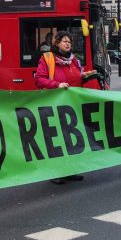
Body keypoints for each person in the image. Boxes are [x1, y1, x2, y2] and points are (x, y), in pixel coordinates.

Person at [34, 31, 96, 184]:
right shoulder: (47, 58)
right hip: (54, 104)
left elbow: (76, 77)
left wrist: (85, 76)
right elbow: (39, 79)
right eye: (64, 41)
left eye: (69, 41)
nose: (68, 44)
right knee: (56, 140)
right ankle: (55, 173)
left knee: (70, 139)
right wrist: (57, 84)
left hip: (71, 105)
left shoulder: (74, 61)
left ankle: (69, 170)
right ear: (57, 43)